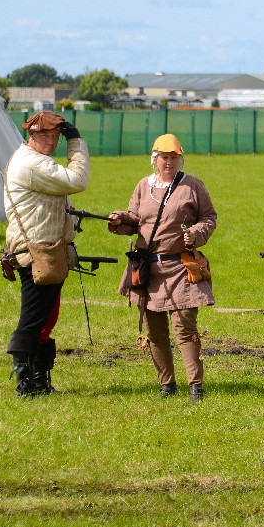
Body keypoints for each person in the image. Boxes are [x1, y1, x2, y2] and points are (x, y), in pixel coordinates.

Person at [107, 134, 216, 403]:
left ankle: (196, 386)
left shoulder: (192, 186)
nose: (168, 163)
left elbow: (209, 217)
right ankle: (167, 384)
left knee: (185, 329)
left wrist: (196, 233)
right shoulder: (144, 186)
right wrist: (120, 219)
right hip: (148, 270)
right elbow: (135, 220)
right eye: (163, 158)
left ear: (180, 158)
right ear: (154, 159)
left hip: (181, 267)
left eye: (173, 158)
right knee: (154, 331)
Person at [4, 110, 89, 397]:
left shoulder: (35, 160)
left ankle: (38, 382)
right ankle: (25, 384)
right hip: (37, 251)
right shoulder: (31, 164)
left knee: (46, 318)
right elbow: (77, 180)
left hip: (47, 250)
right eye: (45, 135)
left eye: (57, 136)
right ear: (32, 134)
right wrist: (75, 142)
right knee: (34, 318)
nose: (52, 140)